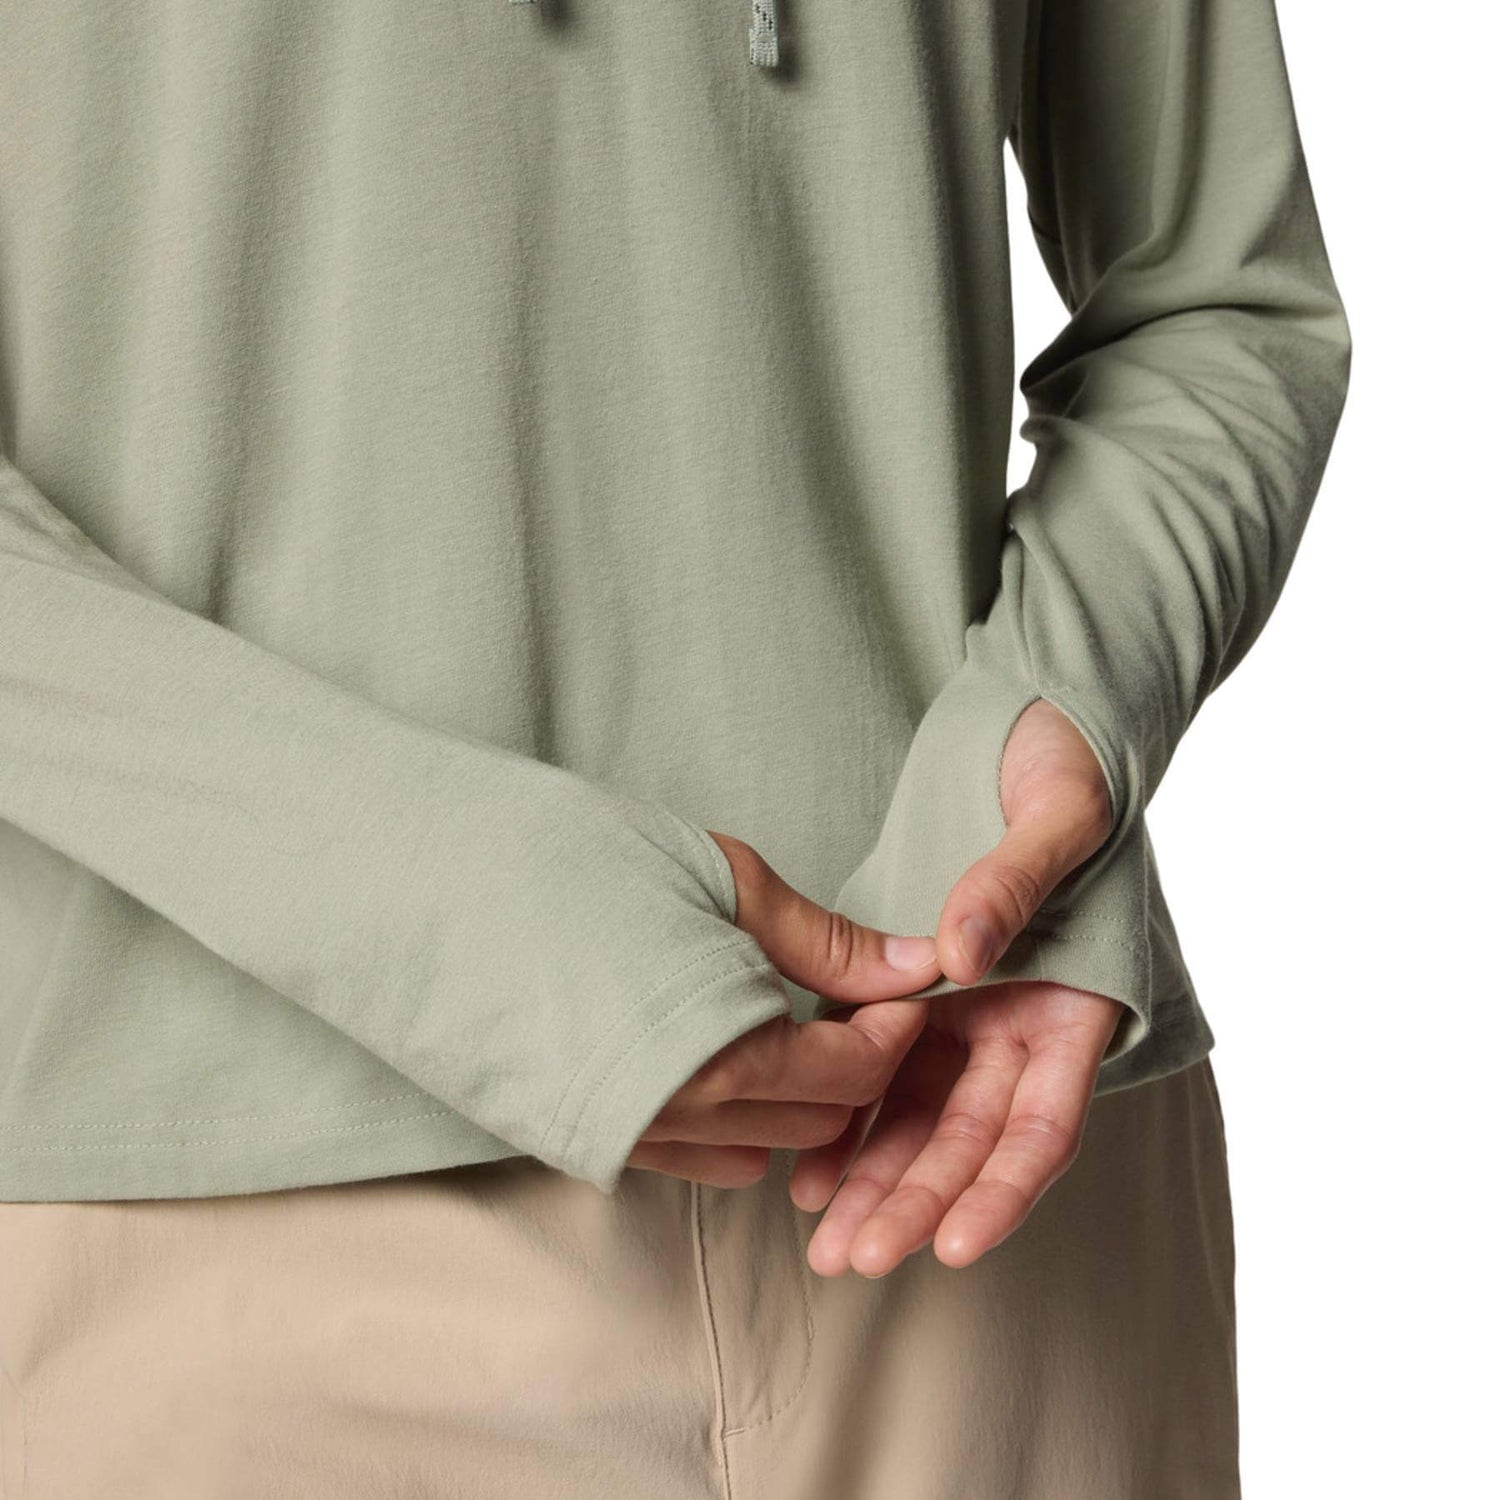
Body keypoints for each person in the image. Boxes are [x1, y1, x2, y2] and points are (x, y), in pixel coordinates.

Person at [0, 0, 1350, 1493]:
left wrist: (1058, 709)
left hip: (987, 1150)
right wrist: (441, 908)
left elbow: (1221, 306)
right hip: (218, 1214)